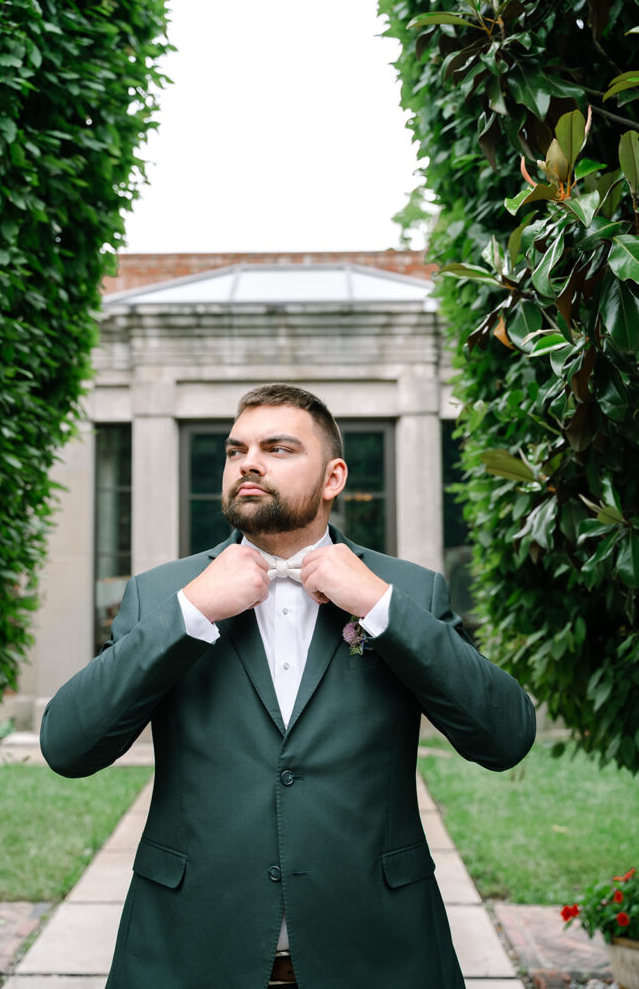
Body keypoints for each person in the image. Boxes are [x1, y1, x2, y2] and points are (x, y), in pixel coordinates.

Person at [41, 383, 536, 989]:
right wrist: (191, 612)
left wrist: (380, 606)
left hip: (379, 952)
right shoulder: (161, 594)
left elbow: (504, 736)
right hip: (189, 951)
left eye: (277, 448)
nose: (248, 461)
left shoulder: (407, 589)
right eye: (235, 450)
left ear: (333, 478)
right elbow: (68, 747)